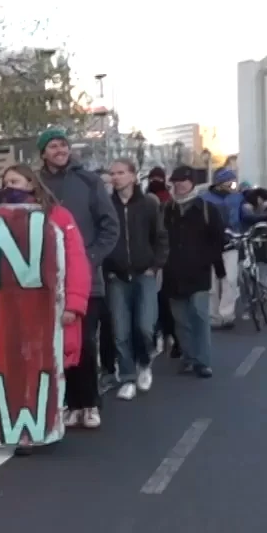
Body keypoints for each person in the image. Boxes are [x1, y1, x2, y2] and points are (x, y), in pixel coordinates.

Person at [0, 164, 93, 426]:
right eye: (5, 182)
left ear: (31, 184)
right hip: (16, 307)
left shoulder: (58, 216)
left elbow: (76, 261)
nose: (9, 187)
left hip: (52, 303)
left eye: (15, 182)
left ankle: (63, 411)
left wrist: (74, 304)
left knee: (54, 361)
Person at [36, 128, 118, 419]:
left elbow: (110, 226)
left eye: (63, 145)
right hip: (46, 283)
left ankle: (90, 403)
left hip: (86, 281)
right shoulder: (37, 184)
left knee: (84, 342)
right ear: (43, 152)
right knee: (58, 344)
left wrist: (90, 258)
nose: (60, 150)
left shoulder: (89, 180)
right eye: (53, 146)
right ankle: (69, 403)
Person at [104, 159, 166, 402]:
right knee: (120, 330)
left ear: (132, 176)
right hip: (117, 275)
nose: (115, 177)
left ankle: (144, 363)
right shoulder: (107, 205)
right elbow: (105, 237)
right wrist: (107, 268)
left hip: (144, 273)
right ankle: (128, 377)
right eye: (112, 173)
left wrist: (155, 265)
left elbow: (160, 236)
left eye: (120, 173)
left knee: (144, 326)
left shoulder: (148, 204)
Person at [161, 167, 226, 378]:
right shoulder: (166, 210)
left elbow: (218, 241)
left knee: (199, 316)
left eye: (183, 181)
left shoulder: (207, 209)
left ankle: (203, 361)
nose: (179, 185)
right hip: (173, 273)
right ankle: (188, 357)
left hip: (199, 272)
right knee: (180, 320)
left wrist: (218, 270)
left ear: (192, 183)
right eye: (175, 181)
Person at [202, 167, 245, 326]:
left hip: (230, 244)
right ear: (221, 183)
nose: (234, 184)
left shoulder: (237, 198)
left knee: (231, 280)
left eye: (234, 181)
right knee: (212, 284)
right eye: (231, 181)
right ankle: (213, 317)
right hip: (211, 246)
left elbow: (244, 215)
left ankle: (227, 315)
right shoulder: (205, 199)